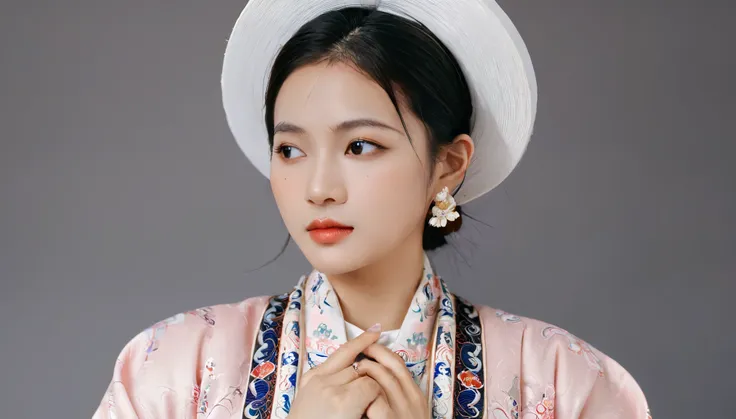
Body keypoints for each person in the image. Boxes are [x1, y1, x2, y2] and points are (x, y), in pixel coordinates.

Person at [93, 1, 651, 418]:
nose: (319, 187)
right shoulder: (170, 370)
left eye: (360, 146)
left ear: (449, 163)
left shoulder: (563, 382)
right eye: (290, 149)